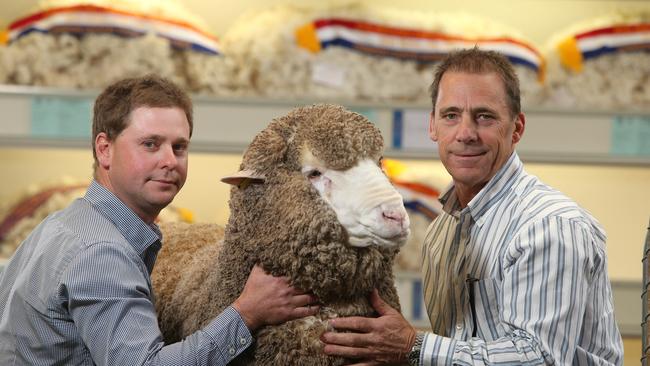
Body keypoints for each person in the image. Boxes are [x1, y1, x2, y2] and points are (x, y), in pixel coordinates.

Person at [321, 48, 623, 365]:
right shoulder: (441, 233)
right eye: (451, 115)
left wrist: (413, 347)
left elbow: (540, 358)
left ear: (517, 128)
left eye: (485, 117)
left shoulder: (549, 226)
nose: (465, 134)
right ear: (433, 126)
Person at [0, 75, 319, 365]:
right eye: (150, 144)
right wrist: (247, 312)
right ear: (104, 150)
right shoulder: (102, 253)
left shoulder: (61, 225)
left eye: (179, 147)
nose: (169, 161)